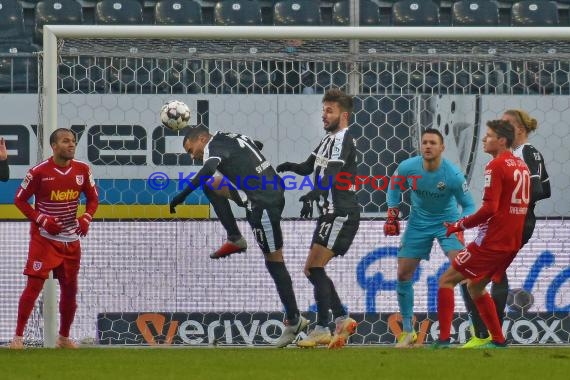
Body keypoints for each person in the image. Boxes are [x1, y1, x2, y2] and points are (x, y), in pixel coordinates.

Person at [169, 126, 307, 348]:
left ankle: (294, 320)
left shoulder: (213, 146)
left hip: (263, 202)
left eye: (191, 149)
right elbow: (255, 144)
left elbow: (208, 168)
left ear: (202, 139)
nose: (192, 155)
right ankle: (234, 237)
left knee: (274, 262)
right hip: (266, 192)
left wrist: (180, 196)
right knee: (211, 185)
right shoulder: (228, 136)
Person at [433, 119, 530, 349]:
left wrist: (460, 225)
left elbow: (490, 209)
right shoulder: (521, 166)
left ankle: (444, 340)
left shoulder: (495, 166)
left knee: (446, 281)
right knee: (475, 286)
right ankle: (498, 340)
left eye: (489, 136)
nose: (484, 139)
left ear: (502, 140)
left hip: (492, 242)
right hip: (511, 242)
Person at [276, 88, 360, 349]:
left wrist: (316, 193)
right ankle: (342, 319)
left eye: (329, 110)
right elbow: (307, 166)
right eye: (323, 109)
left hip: (340, 212)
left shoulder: (343, 139)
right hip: (328, 214)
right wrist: (287, 167)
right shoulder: (327, 140)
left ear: (343, 115)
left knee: (314, 269)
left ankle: (323, 327)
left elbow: (333, 172)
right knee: (311, 270)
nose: (324, 115)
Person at [460, 110, 551, 348]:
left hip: (515, 223)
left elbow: (538, 190)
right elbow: (546, 189)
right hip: (515, 222)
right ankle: (489, 334)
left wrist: (510, 205)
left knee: (471, 275)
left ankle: (485, 334)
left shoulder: (526, 153)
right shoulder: (518, 155)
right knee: (491, 274)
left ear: (519, 129)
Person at [384, 128, 476, 348]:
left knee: (463, 272)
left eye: (433, 143)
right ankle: (408, 332)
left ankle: (477, 328)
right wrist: (392, 213)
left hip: (447, 224)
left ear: (442, 147)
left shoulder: (452, 174)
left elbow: (470, 205)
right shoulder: (408, 167)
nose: (427, 146)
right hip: (418, 224)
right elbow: (393, 188)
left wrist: (459, 224)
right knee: (403, 273)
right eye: (425, 142)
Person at [10, 128, 99, 349]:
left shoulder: (82, 170)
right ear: (54, 146)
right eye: (65, 141)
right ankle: (18, 338)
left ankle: (64, 337)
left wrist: (86, 218)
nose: (71, 145)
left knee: (70, 290)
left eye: (73, 141)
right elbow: (19, 200)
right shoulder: (39, 172)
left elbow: (93, 199)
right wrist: (41, 219)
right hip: (45, 239)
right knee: (34, 286)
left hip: (71, 240)